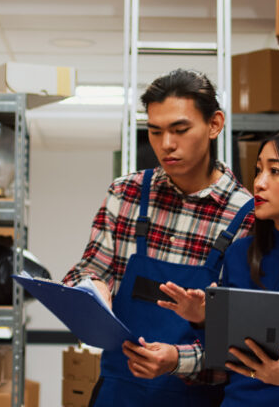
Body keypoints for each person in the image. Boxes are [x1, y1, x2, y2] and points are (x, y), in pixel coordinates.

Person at [130, 128, 279, 406]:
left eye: (274, 172)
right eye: (258, 170)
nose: (258, 183)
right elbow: (226, 358)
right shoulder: (240, 255)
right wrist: (201, 318)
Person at [63, 69, 256, 407]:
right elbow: (89, 269)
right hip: (117, 391)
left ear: (214, 124)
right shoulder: (127, 193)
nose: (166, 144)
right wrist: (90, 287)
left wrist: (177, 360)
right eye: (155, 131)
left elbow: (246, 337)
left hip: (196, 397)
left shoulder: (248, 216)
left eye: (180, 130)